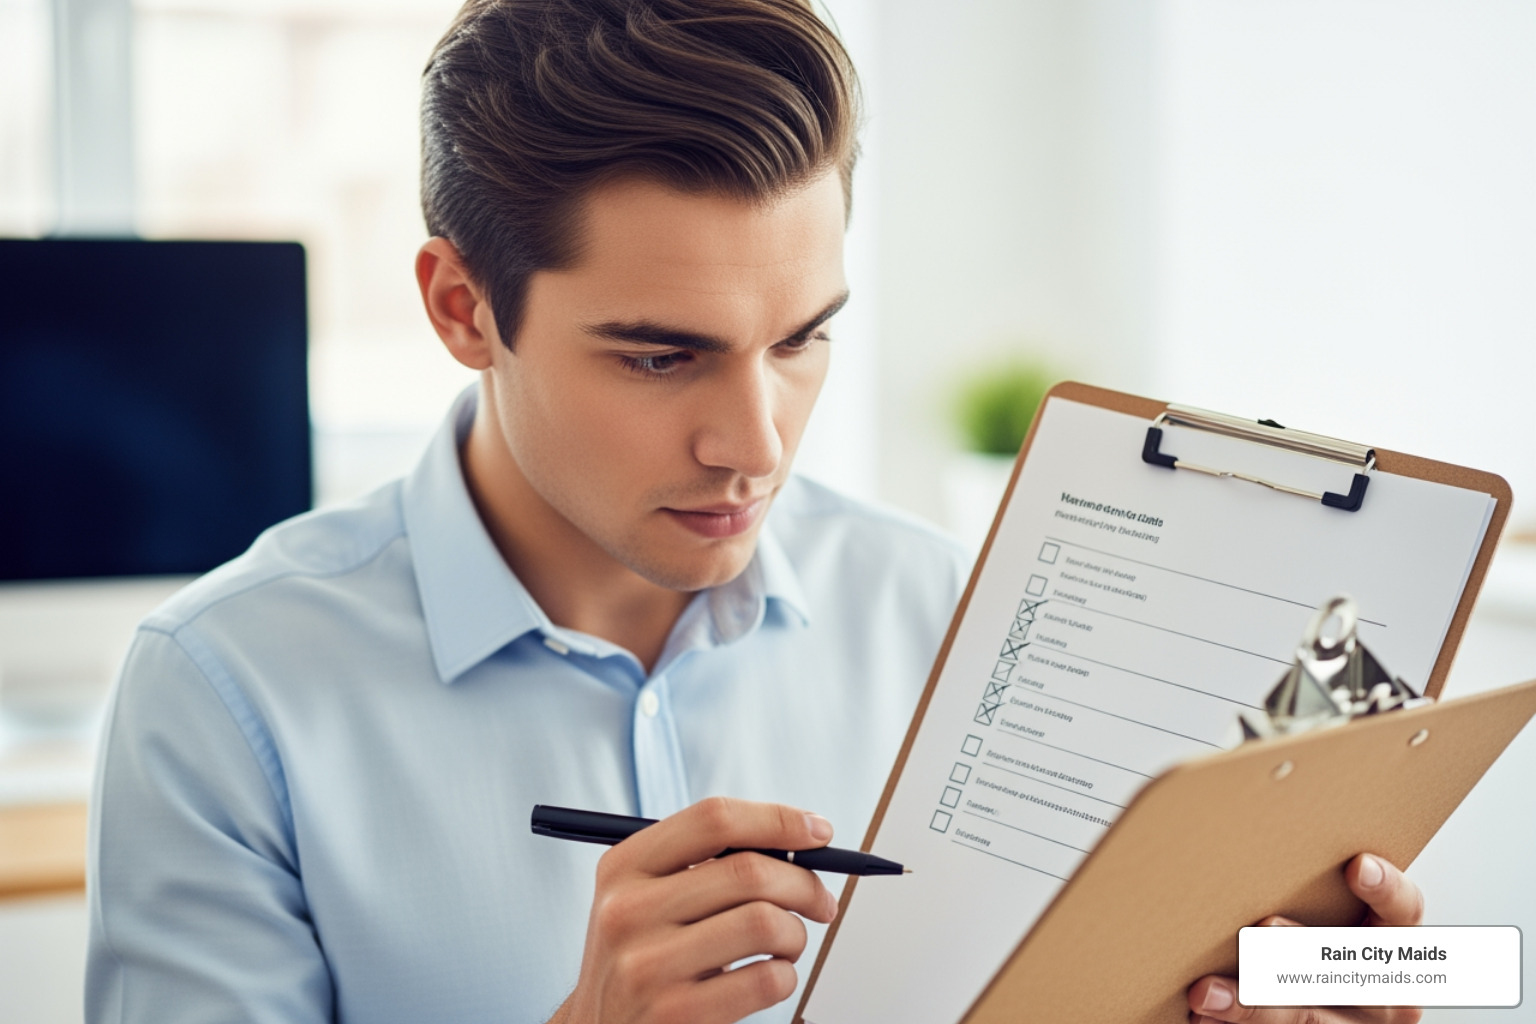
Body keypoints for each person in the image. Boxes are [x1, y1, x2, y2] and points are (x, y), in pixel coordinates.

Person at [85, 2, 1424, 1023]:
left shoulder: (958, 620)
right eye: (661, 356)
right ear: (460, 309)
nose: (756, 444)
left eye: (802, 338)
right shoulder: (226, 697)